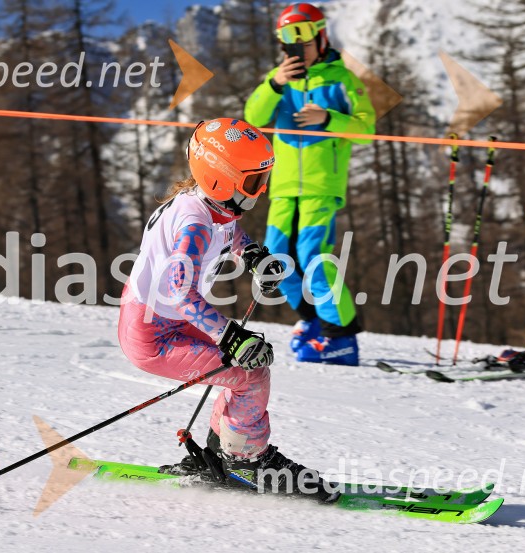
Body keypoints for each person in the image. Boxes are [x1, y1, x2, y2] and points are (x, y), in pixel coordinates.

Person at [118, 118, 333, 498]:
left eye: (263, 178)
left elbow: (230, 230)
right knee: (249, 373)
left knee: (244, 369)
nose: (261, 189)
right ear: (220, 178)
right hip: (154, 334)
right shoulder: (194, 224)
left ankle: (222, 455)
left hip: (167, 319)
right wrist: (230, 336)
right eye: (254, 181)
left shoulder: (213, 204)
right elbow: (179, 290)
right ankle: (247, 462)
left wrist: (250, 253)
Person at [244, 3, 375, 366]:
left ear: (321, 36)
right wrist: (275, 83)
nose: (296, 46)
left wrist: (328, 117)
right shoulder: (279, 79)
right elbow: (252, 117)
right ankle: (313, 321)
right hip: (284, 185)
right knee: (274, 258)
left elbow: (366, 130)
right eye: (288, 39)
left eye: (302, 37)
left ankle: (341, 336)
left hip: (320, 184)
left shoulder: (342, 79)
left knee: (314, 256)